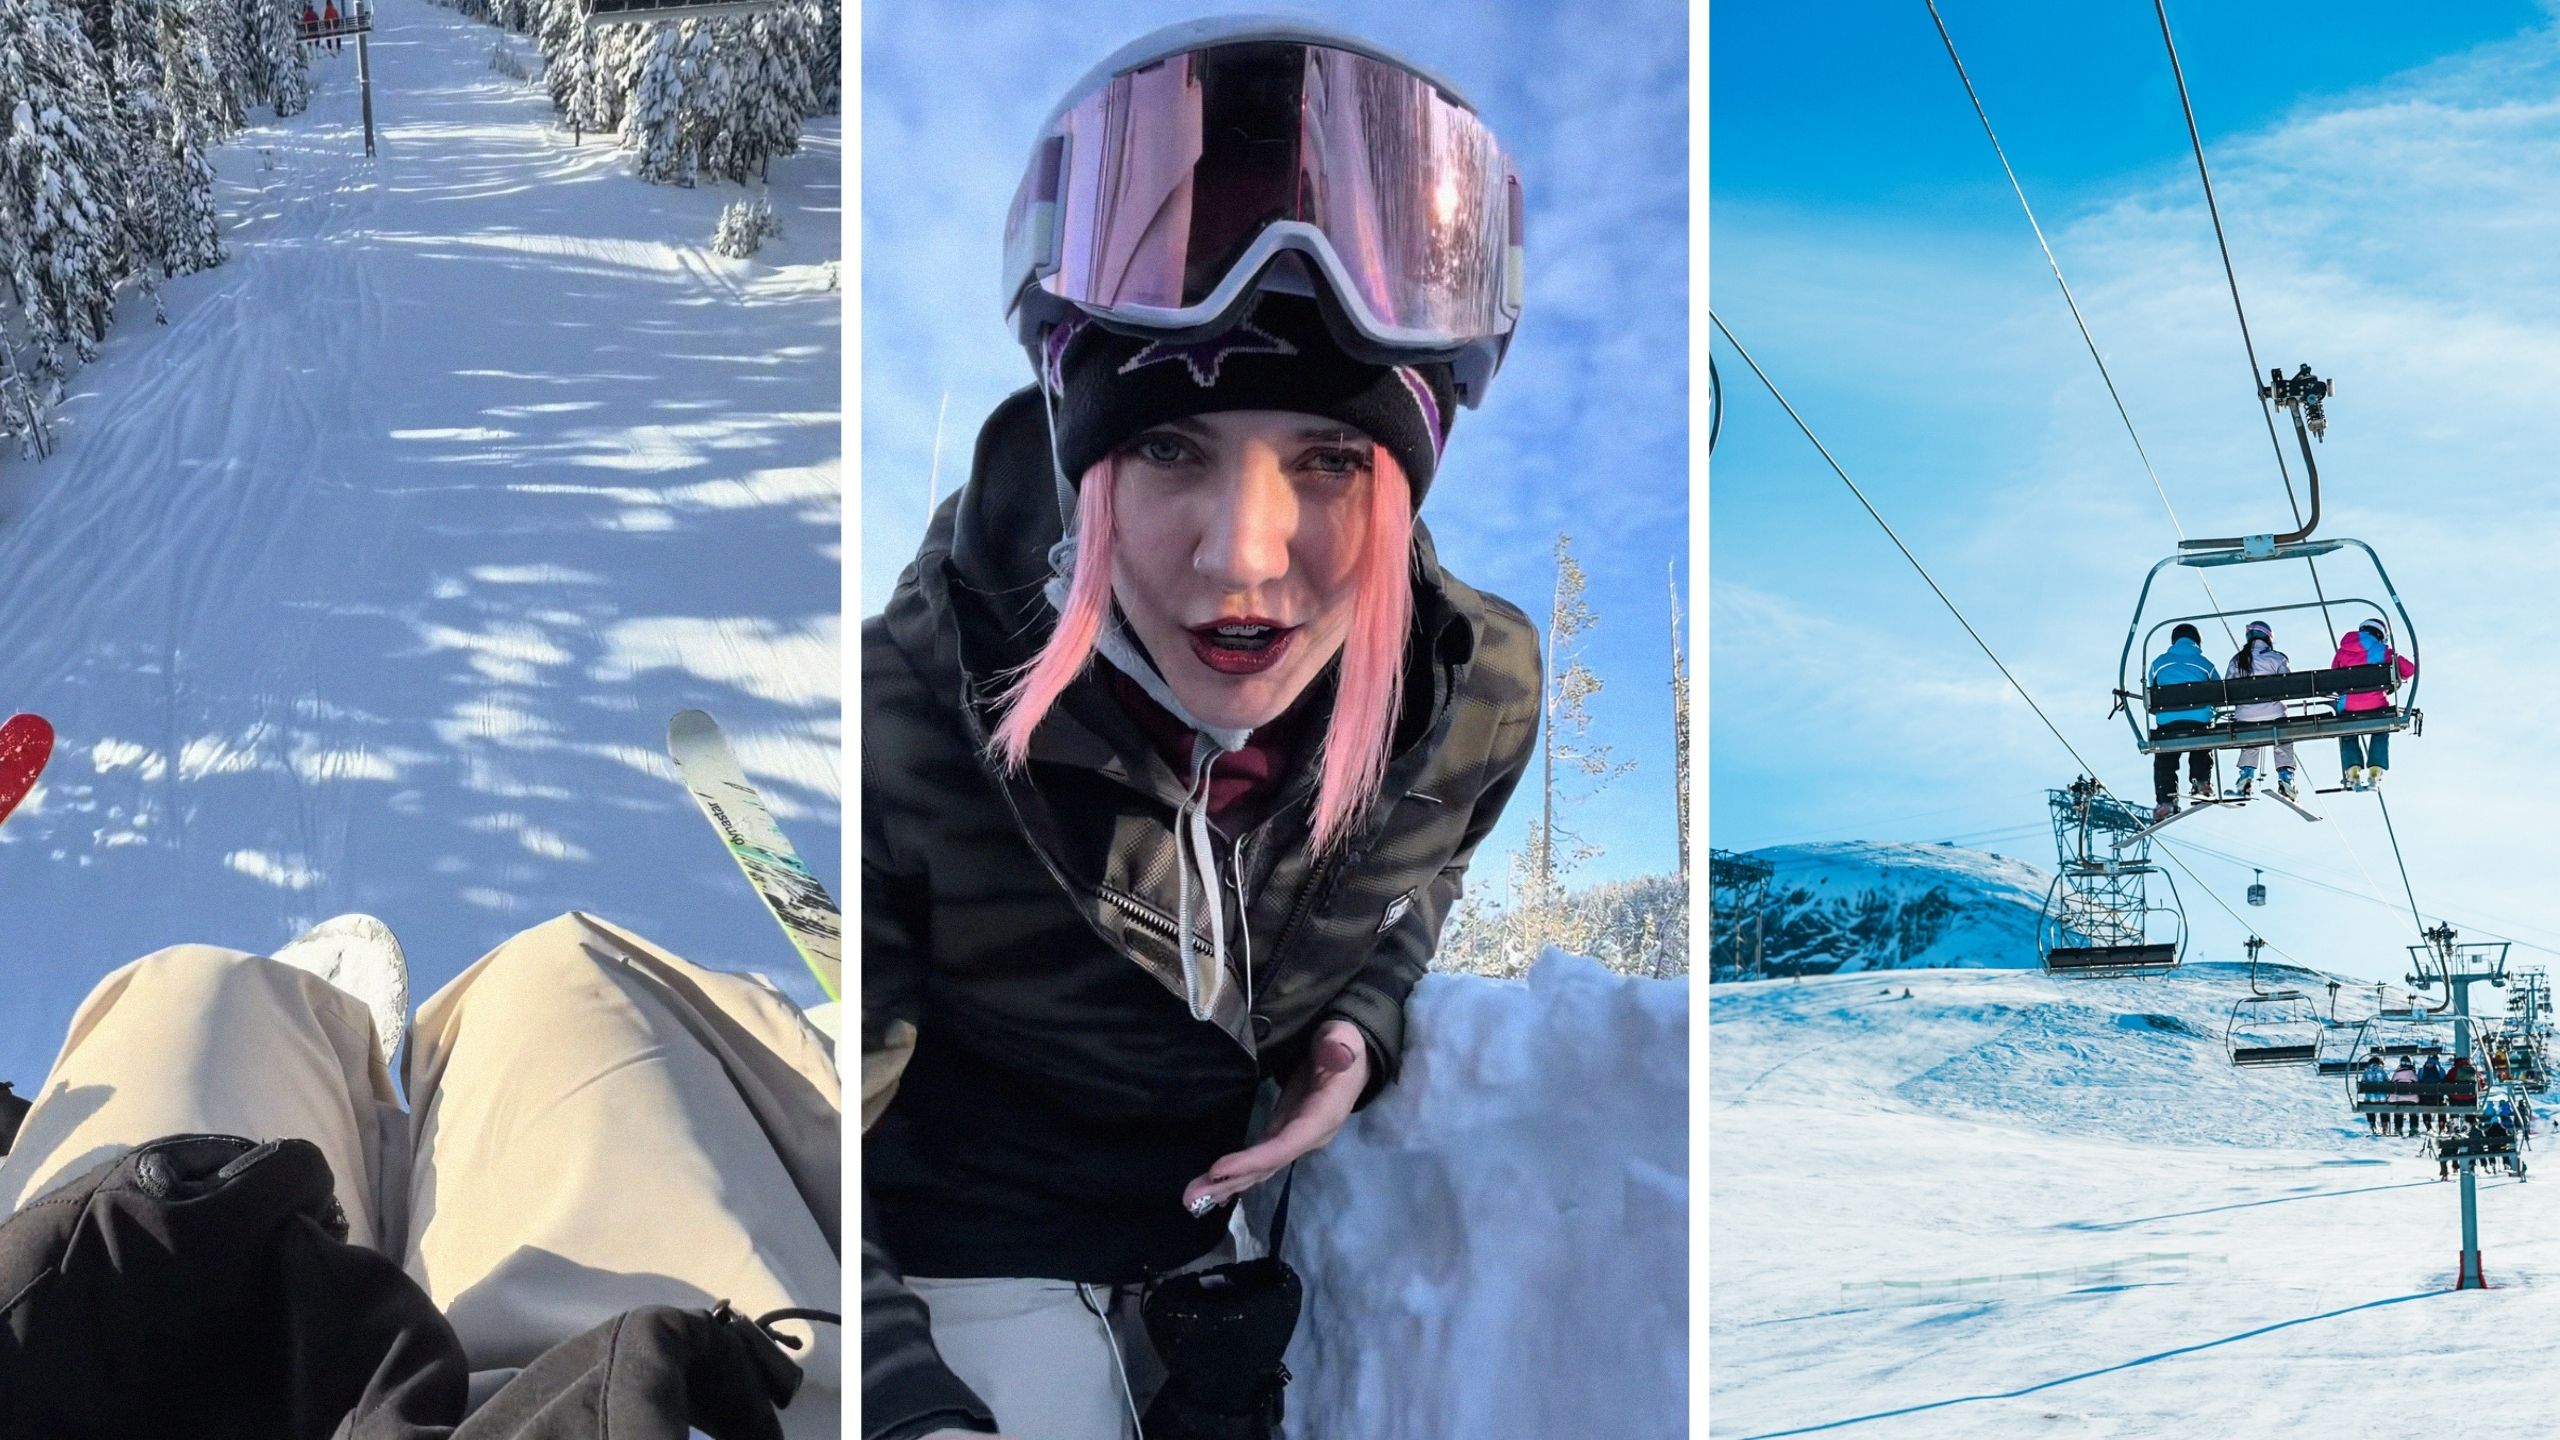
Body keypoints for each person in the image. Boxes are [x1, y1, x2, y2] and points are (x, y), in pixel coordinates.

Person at [862, 21, 1542, 1440]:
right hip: (958, 1265)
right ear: (1086, 463)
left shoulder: (1470, 702)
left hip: (1204, 1267)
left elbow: (1420, 880)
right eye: (1169, 446)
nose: (1245, 560)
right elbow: (803, 1107)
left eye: (1331, 459)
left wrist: (1356, 1026)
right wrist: (893, 1390)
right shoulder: (903, 715)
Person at [0, 912, 841, 1436]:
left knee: (189, 989)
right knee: (561, 977)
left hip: (97, 1356)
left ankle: (316, 1058)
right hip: (617, 1399)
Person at [2332, 618, 2417, 790]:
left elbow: (2333, 676)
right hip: (2377, 705)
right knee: (2381, 730)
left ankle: (2352, 770)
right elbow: (2409, 669)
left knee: (2347, 733)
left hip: (2348, 707)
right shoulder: (2383, 650)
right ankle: (2375, 772)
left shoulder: (2342, 651)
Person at [2147, 622, 2219, 822]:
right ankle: (2201, 783)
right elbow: (2219, 691)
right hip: (2198, 720)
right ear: (2197, 641)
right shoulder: (2205, 664)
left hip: (2168, 721)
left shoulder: (2158, 663)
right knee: (2201, 747)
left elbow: (2151, 691)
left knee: (2165, 760)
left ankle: (2166, 800)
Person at [2224, 620, 2298, 800]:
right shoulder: (2277, 658)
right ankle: (2286, 779)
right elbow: (2288, 684)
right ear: (2268, 638)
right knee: (2282, 741)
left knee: (2251, 740)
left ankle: (2246, 778)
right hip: (2274, 713)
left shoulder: (2237, 660)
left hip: (2246, 715)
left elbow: (2227, 687)